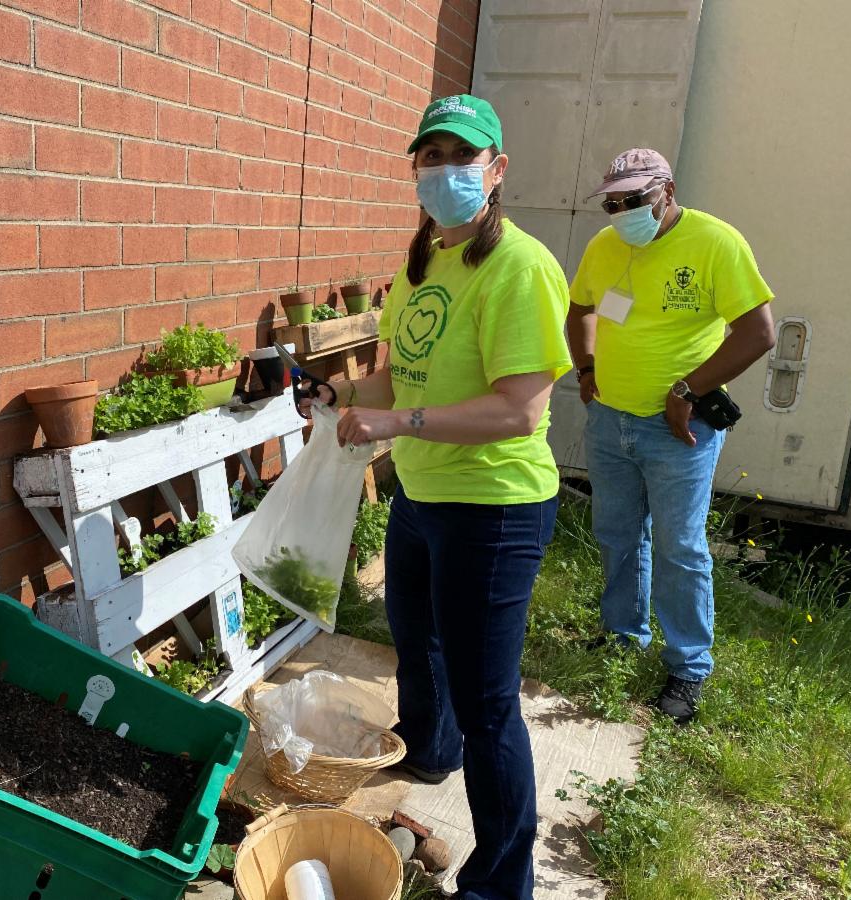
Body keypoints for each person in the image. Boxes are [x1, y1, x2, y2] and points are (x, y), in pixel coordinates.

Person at [300, 94, 571, 900]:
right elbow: (401, 376)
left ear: (497, 168)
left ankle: (499, 885)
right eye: (432, 156)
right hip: (424, 495)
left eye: (463, 156)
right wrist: (343, 394)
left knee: (489, 706)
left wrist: (397, 422)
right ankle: (427, 750)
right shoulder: (424, 265)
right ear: (415, 168)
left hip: (493, 509)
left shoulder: (520, 267)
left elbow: (519, 409)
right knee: (417, 642)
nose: (446, 170)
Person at [567, 148, 776, 724]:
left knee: (679, 547)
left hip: (679, 431)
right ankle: (622, 634)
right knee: (616, 533)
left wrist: (688, 389)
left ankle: (688, 666)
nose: (623, 212)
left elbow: (758, 333)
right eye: (613, 203)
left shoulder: (715, 243)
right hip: (610, 420)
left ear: (667, 191)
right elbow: (580, 308)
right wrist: (586, 368)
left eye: (634, 200)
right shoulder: (604, 246)